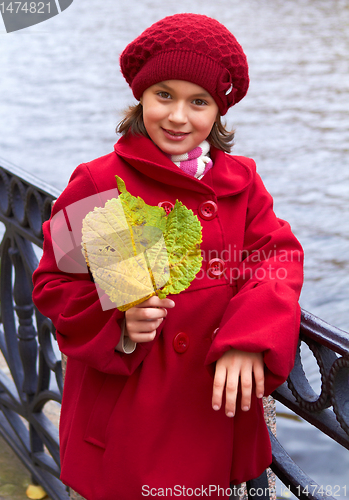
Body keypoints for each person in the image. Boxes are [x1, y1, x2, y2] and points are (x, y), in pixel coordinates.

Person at [32, 13, 304, 500]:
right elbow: (56, 285)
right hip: (126, 429)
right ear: (141, 96)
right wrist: (116, 320)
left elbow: (276, 260)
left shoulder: (238, 184)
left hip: (211, 417)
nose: (179, 117)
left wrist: (249, 336)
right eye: (165, 96)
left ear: (218, 112)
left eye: (198, 102)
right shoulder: (100, 185)